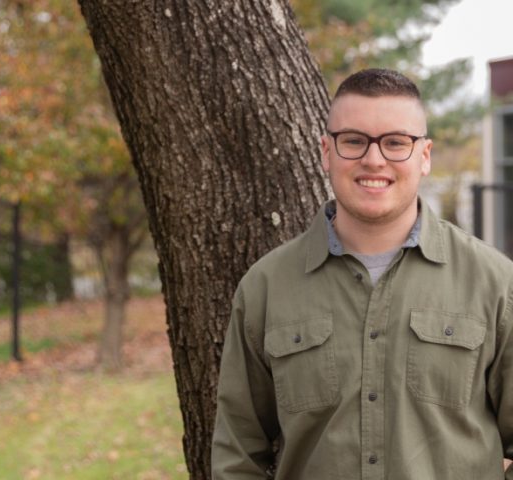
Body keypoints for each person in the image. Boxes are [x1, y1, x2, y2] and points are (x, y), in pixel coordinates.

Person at [211, 68, 513, 479]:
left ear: (424, 156)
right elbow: (237, 455)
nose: (374, 159)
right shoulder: (266, 287)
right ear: (325, 152)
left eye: (395, 143)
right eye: (353, 141)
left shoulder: (495, 283)